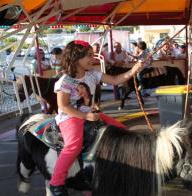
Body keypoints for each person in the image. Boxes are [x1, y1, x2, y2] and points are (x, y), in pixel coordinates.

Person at [49, 40, 143, 196]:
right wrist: (85, 115)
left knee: (121, 130)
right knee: (73, 145)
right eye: (89, 56)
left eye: (92, 55)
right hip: (70, 117)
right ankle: (56, 182)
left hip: (90, 114)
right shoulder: (65, 81)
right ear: (75, 58)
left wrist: (133, 70)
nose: (93, 59)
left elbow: (114, 80)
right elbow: (64, 106)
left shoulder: (93, 74)